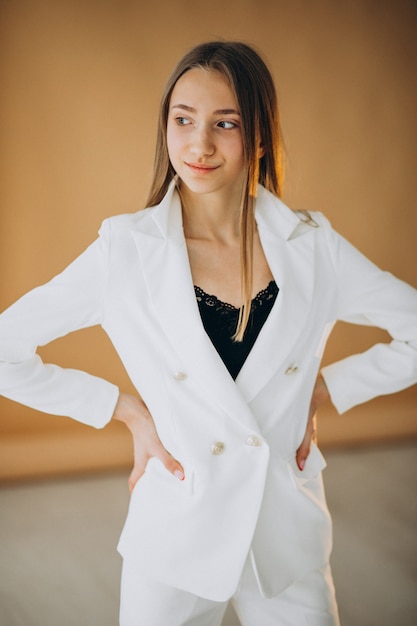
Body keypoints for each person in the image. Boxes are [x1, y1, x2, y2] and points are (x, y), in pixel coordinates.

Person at [0, 40, 416, 626]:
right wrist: (127, 412)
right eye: (183, 120)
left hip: (285, 538)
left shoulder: (313, 246)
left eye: (226, 123)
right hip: (175, 532)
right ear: (165, 128)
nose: (199, 145)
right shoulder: (126, 251)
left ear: (261, 136)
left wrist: (326, 390)